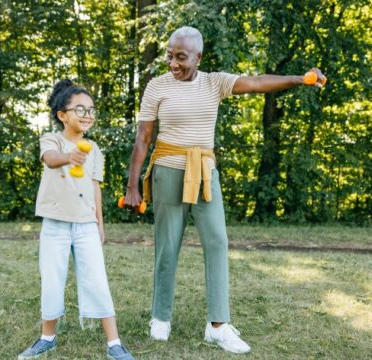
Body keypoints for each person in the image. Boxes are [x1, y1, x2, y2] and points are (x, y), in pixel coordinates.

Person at [123, 26, 326, 354]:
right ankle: (160, 318)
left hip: (204, 172)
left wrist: (299, 79)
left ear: (198, 57)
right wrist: (132, 186)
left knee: (217, 241)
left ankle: (218, 326)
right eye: (169, 55)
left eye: (181, 57)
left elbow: (258, 82)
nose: (172, 63)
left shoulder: (214, 82)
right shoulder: (156, 86)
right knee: (167, 247)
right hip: (167, 172)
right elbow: (144, 137)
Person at [18, 79, 135, 360]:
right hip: (55, 225)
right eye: (80, 109)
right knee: (52, 279)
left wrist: (100, 224)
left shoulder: (93, 149)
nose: (87, 115)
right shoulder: (52, 140)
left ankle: (114, 344)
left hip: (85, 226)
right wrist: (70, 155)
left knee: (97, 280)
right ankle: (47, 338)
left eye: (91, 110)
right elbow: (50, 159)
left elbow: (95, 186)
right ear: (62, 115)